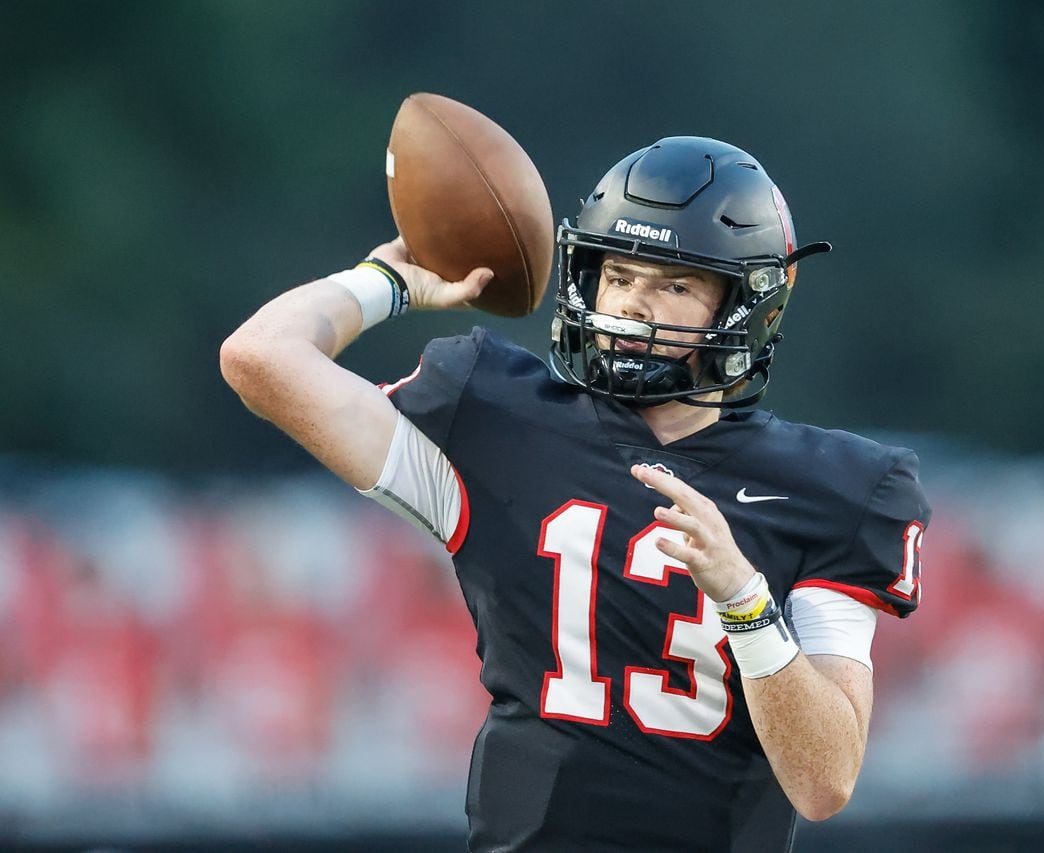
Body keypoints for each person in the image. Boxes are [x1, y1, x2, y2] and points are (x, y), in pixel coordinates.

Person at [220, 136, 930, 852]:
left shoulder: (830, 487)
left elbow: (824, 780)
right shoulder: (496, 420)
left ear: (750, 303)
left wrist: (746, 602)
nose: (632, 306)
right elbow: (261, 357)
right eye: (617, 274)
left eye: (673, 285)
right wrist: (387, 280)